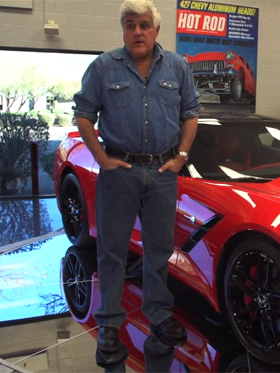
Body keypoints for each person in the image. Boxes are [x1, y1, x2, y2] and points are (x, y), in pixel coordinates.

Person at [72, 0, 199, 370]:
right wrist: (102, 158)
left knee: (159, 250)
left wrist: (181, 158)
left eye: (144, 25)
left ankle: (158, 314)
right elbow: (83, 115)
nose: (138, 31)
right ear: (123, 30)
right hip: (120, 171)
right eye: (131, 25)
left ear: (156, 30)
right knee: (111, 251)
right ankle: (110, 322)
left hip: (162, 173)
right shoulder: (103, 66)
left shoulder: (177, 67)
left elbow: (191, 114)